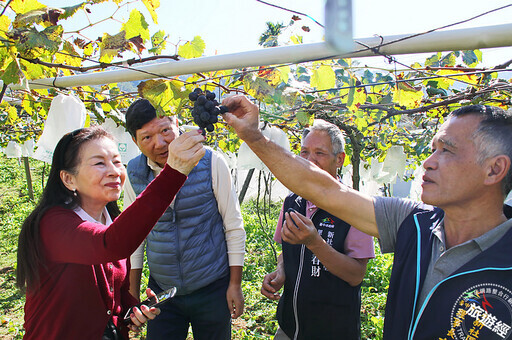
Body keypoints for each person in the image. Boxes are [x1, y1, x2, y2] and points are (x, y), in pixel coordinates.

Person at [222, 95, 512, 340]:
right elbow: (320, 186)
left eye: (446, 150)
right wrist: (253, 136)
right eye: (433, 148)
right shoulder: (412, 222)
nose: (428, 162)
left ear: (494, 169)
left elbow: (354, 273)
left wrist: (315, 243)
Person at [16, 126, 206, 340]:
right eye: (99, 163)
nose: (114, 171)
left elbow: (115, 295)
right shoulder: (52, 225)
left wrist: (132, 310)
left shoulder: (112, 223)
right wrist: (173, 172)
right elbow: (109, 245)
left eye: (116, 161)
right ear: (69, 179)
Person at [123, 98, 246, 340]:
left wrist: (235, 284)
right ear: (135, 142)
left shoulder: (211, 162)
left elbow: (233, 226)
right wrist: (133, 295)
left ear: (177, 124)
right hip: (162, 291)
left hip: (211, 287)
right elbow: (134, 238)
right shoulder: (134, 174)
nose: (160, 143)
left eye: (165, 130)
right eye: (146, 137)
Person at [261, 119, 374, 340]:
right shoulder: (292, 201)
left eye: (319, 153)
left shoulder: (355, 207)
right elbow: (286, 250)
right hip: (289, 326)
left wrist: (315, 243)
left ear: (339, 159)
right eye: (304, 152)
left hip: (333, 331)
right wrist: (281, 271)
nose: (309, 160)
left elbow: (356, 275)